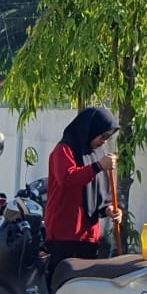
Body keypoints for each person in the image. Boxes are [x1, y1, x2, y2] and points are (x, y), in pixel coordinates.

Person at [44, 106, 122, 276]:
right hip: (64, 234)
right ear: (91, 129)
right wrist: (98, 166)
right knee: (61, 283)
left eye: (108, 137)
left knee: (84, 286)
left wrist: (110, 209)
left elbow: (102, 193)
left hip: (88, 235)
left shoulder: (96, 154)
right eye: (103, 136)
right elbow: (67, 179)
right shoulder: (64, 150)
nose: (104, 141)